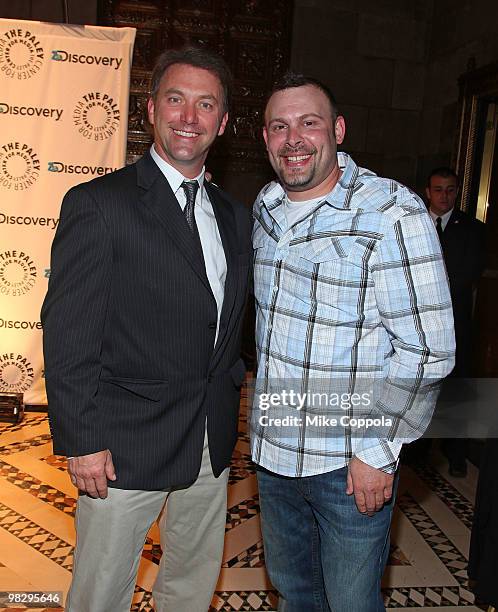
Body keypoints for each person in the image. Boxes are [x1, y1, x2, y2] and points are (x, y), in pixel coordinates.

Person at [41, 46, 252, 612]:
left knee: (189, 585)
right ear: (150, 110)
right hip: (123, 446)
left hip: (207, 443)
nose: (190, 116)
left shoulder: (235, 216)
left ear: (223, 123)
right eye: (176, 99)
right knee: (101, 593)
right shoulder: (99, 204)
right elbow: (68, 334)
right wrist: (82, 441)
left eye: (205, 105)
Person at [250, 72, 456, 612]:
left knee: (350, 603)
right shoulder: (266, 209)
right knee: (295, 595)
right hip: (274, 458)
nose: (293, 138)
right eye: (279, 126)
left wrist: (376, 448)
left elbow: (429, 349)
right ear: (265, 139)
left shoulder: (393, 212)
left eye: (309, 123)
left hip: (347, 464)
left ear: (338, 129)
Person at [426, 167, 485, 476]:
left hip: (456, 322)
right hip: (420, 323)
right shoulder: (414, 223)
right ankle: (417, 451)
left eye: (450, 190)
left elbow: (469, 272)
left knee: (457, 388)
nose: (444, 196)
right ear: (428, 192)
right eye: (438, 190)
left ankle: (456, 452)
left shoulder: (472, 229)